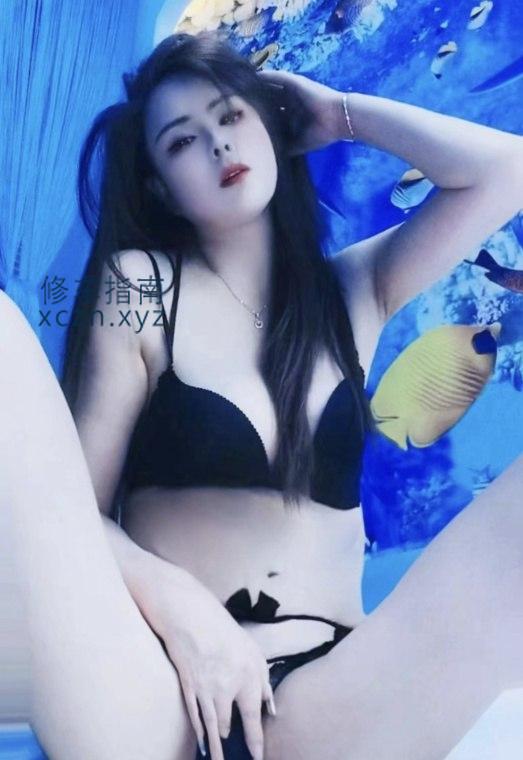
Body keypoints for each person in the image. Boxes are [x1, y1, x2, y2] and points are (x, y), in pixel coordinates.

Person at [9, 28, 523, 760]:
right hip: (158, 692)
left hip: (326, 702)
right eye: (182, 141)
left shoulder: (356, 291)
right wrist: (186, 614)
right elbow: (74, 512)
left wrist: (340, 115)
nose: (218, 144)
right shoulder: (139, 289)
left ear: (271, 125)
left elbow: (507, 171)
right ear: (158, 185)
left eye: (230, 114)